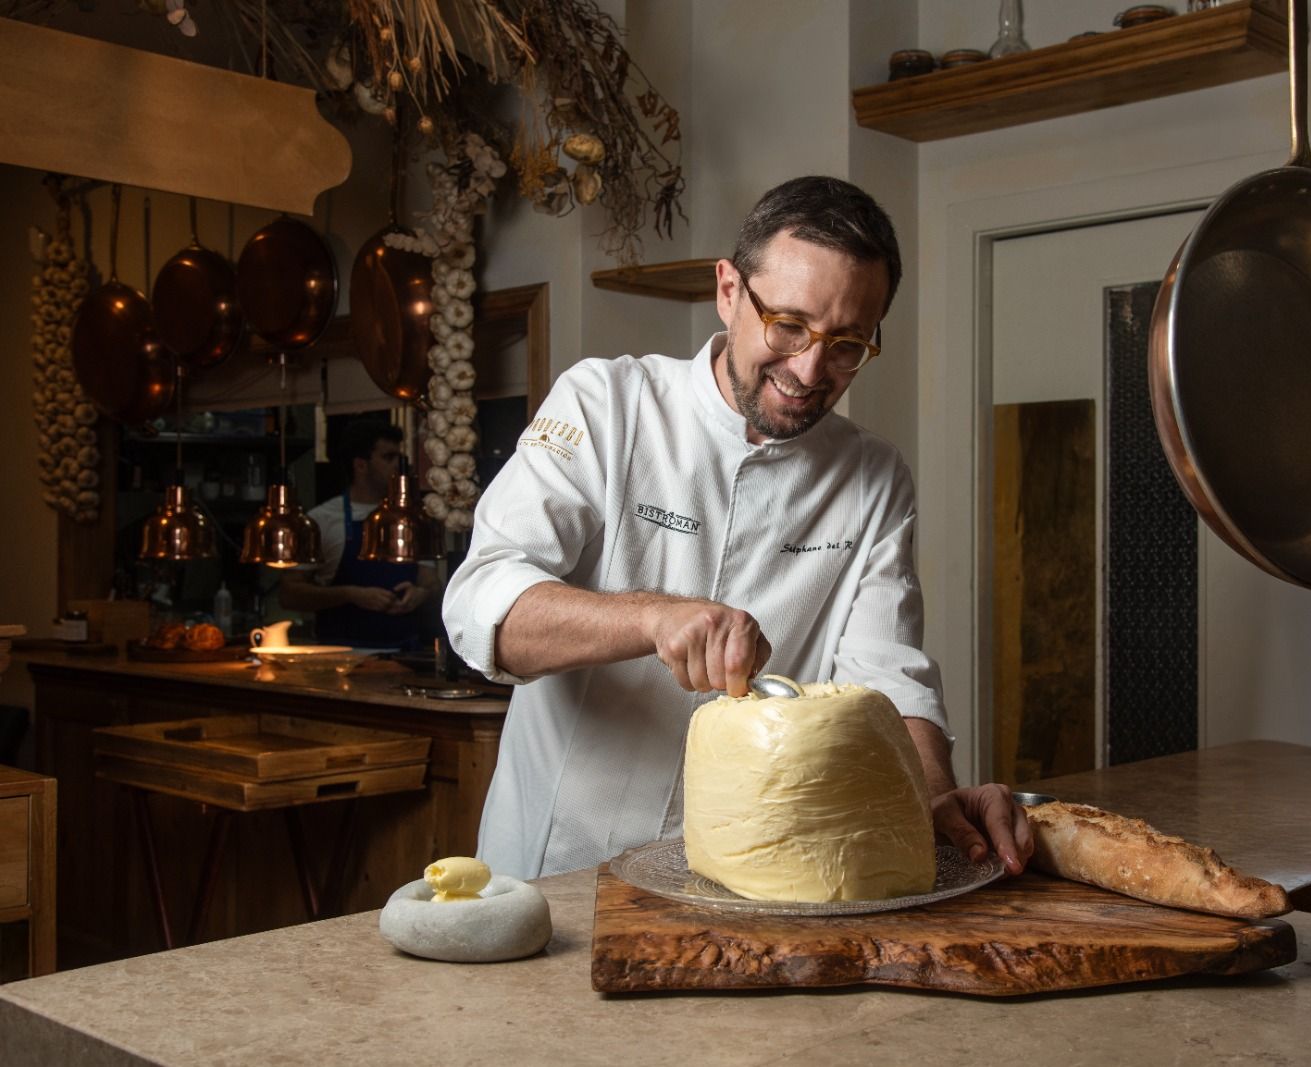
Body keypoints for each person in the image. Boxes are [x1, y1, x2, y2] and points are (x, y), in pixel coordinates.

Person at [442, 175, 1033, 880]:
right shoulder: (607, 403)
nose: (809, 369)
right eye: (788, 324)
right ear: (728, 291)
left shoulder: (874, 475)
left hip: (748, 881)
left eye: (847, 344)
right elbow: (485, 606)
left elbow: (887, 676)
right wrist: (656, 617)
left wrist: (934, 796)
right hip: (558, 871)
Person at [279, 419, 439, 649]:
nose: (399, 467)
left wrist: (420, 594)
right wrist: (350, 594)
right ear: (361, 465)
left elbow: (432, 584)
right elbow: (289, 594)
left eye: (399, 458)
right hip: (340, 659)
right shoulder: (322, 520)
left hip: (405, 656)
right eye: (388, 457)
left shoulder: (413, 520)